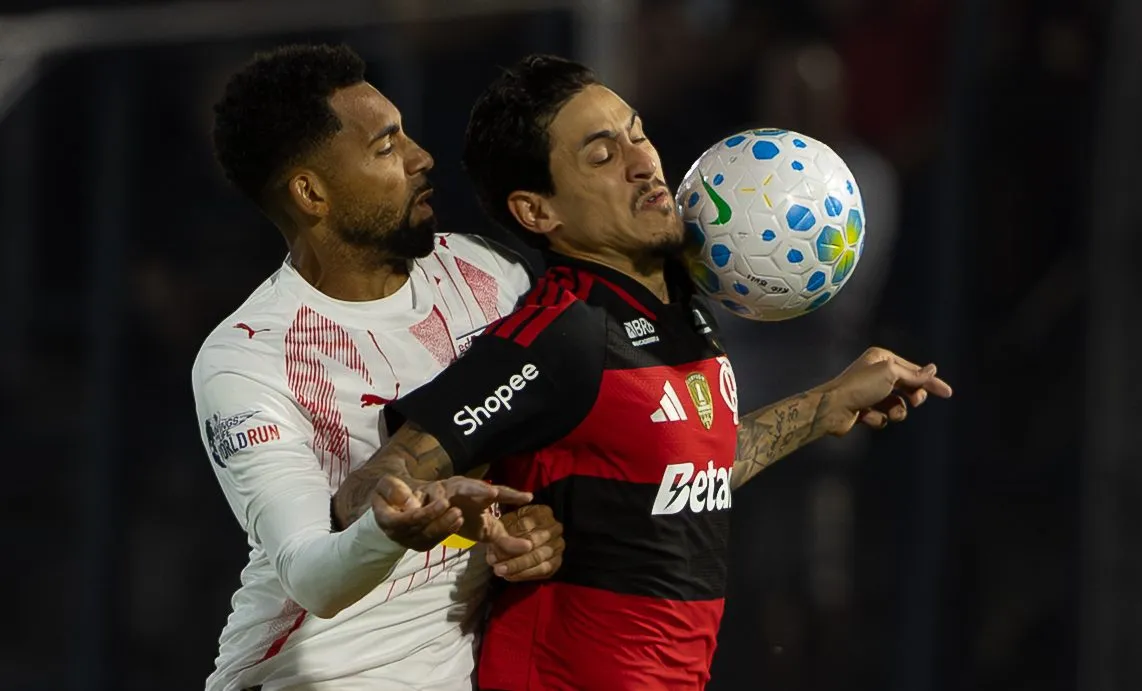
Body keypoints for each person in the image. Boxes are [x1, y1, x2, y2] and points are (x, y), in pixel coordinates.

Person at [333, 54, 953, 690]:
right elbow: (371, 486)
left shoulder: (680, 304)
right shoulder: (564, 333)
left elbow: (687, 473)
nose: (643, 164)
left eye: (637, 133)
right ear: (538, 212)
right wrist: (430, 515)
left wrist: (824, 405)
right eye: (602, 157)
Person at [195, 44, 564, 691]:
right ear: (312, 192)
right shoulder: (248, 358)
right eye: (386, 146)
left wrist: (519, 531)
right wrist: (387, 530)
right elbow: (311, 575)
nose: (421, 156)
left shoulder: (490, 276)